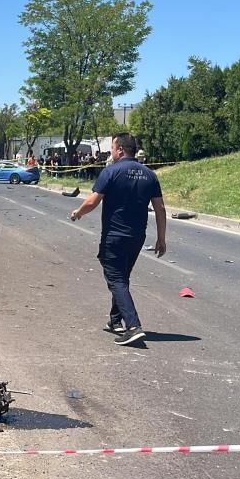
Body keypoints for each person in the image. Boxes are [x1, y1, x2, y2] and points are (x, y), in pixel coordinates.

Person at [70, 133, 167, 346]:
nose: (111, 151)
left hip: (114, 235)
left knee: (115, 278)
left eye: (112, 147)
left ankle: (133, 326)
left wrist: (78, 212)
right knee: (122, 277)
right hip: (137, 237)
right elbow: (160, 208)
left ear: (120, 149)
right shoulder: (149, 174)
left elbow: (93, 201)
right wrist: (161, 238)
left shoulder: (111, 171)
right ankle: (115, 320)